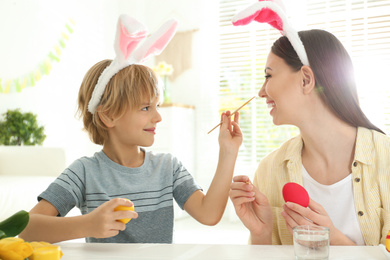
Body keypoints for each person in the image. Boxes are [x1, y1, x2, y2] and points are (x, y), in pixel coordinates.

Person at [19, 15, 243, 244]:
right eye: (146, 107)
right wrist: (88, 224)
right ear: (108, 115)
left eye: (157, 105)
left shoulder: (168, 167)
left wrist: (228, 152)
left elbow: (209, 214)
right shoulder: (84, 172)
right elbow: (26, 230)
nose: (158, 116)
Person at [229, 1, 390, 246]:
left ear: (306, 79)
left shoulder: (386, 158)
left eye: (269, 75)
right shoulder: (269, 169)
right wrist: (261, 234)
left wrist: (332, 240)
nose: (262, 92)